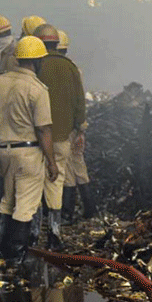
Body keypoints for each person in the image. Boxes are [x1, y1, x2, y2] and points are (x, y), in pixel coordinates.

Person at [0, 36, 58, 262]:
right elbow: (43, 129)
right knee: (25, 205)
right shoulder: (37, 89)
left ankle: (1, 251)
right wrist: (52, 162)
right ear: (37, 61)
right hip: (28, 153)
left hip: (3, 151)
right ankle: (15, 257)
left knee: (7, 202)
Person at [30, 24, 88, 249]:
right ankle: (54, 232)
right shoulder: (70, 67)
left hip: (36, 138)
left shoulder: (36, 66)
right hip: (63, 137)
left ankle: (34, 233)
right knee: (57, 182)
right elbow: (80, 103)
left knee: (35, 184)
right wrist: (79, 129)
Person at [55, 29, 94, 224]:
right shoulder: (74, 69)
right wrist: (81, 129)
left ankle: (67, 213)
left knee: (67, 169)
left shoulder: (54, 71)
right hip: (76, 125)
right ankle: (90, 209)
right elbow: (80, 101)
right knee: (79, 164)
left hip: (63, 126)